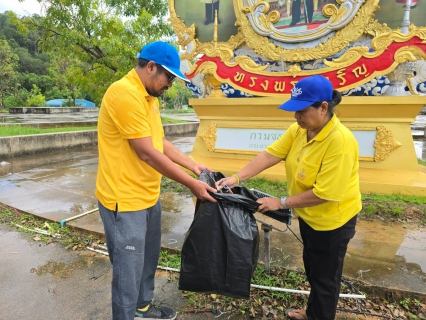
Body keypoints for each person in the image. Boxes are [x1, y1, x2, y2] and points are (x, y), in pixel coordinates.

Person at [217, 75, 361, 320]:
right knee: (314, 268)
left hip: (333, 222)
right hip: (309, 217)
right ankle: (314, 312)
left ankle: (319, 315)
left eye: (301, 111)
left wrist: (280, 202)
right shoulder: (299, 130)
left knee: (326, 278)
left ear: (323, 107)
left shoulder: (340, 141)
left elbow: (325, 193)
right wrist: (237, 178)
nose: (296, 117)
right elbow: (270, 155)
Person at [96, 41, 217, 320]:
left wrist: (193, 164)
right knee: (127, 272)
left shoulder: (149, 97)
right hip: (124, 201)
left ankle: (142, 308)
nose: (170, 84)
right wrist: (191, 183)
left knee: (147, 261)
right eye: (169, 77)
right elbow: (147, 153)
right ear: (151, 67)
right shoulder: (124, 93)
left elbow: (159, 141)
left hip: (148, 195)